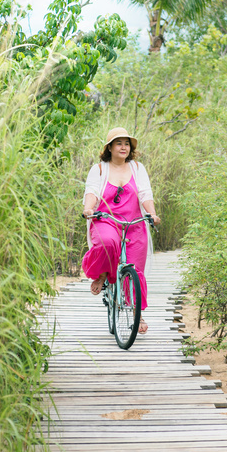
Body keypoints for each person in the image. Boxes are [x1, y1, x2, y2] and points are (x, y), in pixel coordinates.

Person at [82, 127, 161, 334]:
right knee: (108, 243)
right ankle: (102, 273)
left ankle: (137, 312)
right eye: (119, 143)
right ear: (109, 147)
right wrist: (89, 209)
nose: (123, 147)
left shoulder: (137, 168)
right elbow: (92, 192)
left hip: (134, 222)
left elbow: (145, 193)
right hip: (106, 220)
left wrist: (152, 213)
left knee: (136, 269)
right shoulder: (99, 169)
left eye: (127, 143)